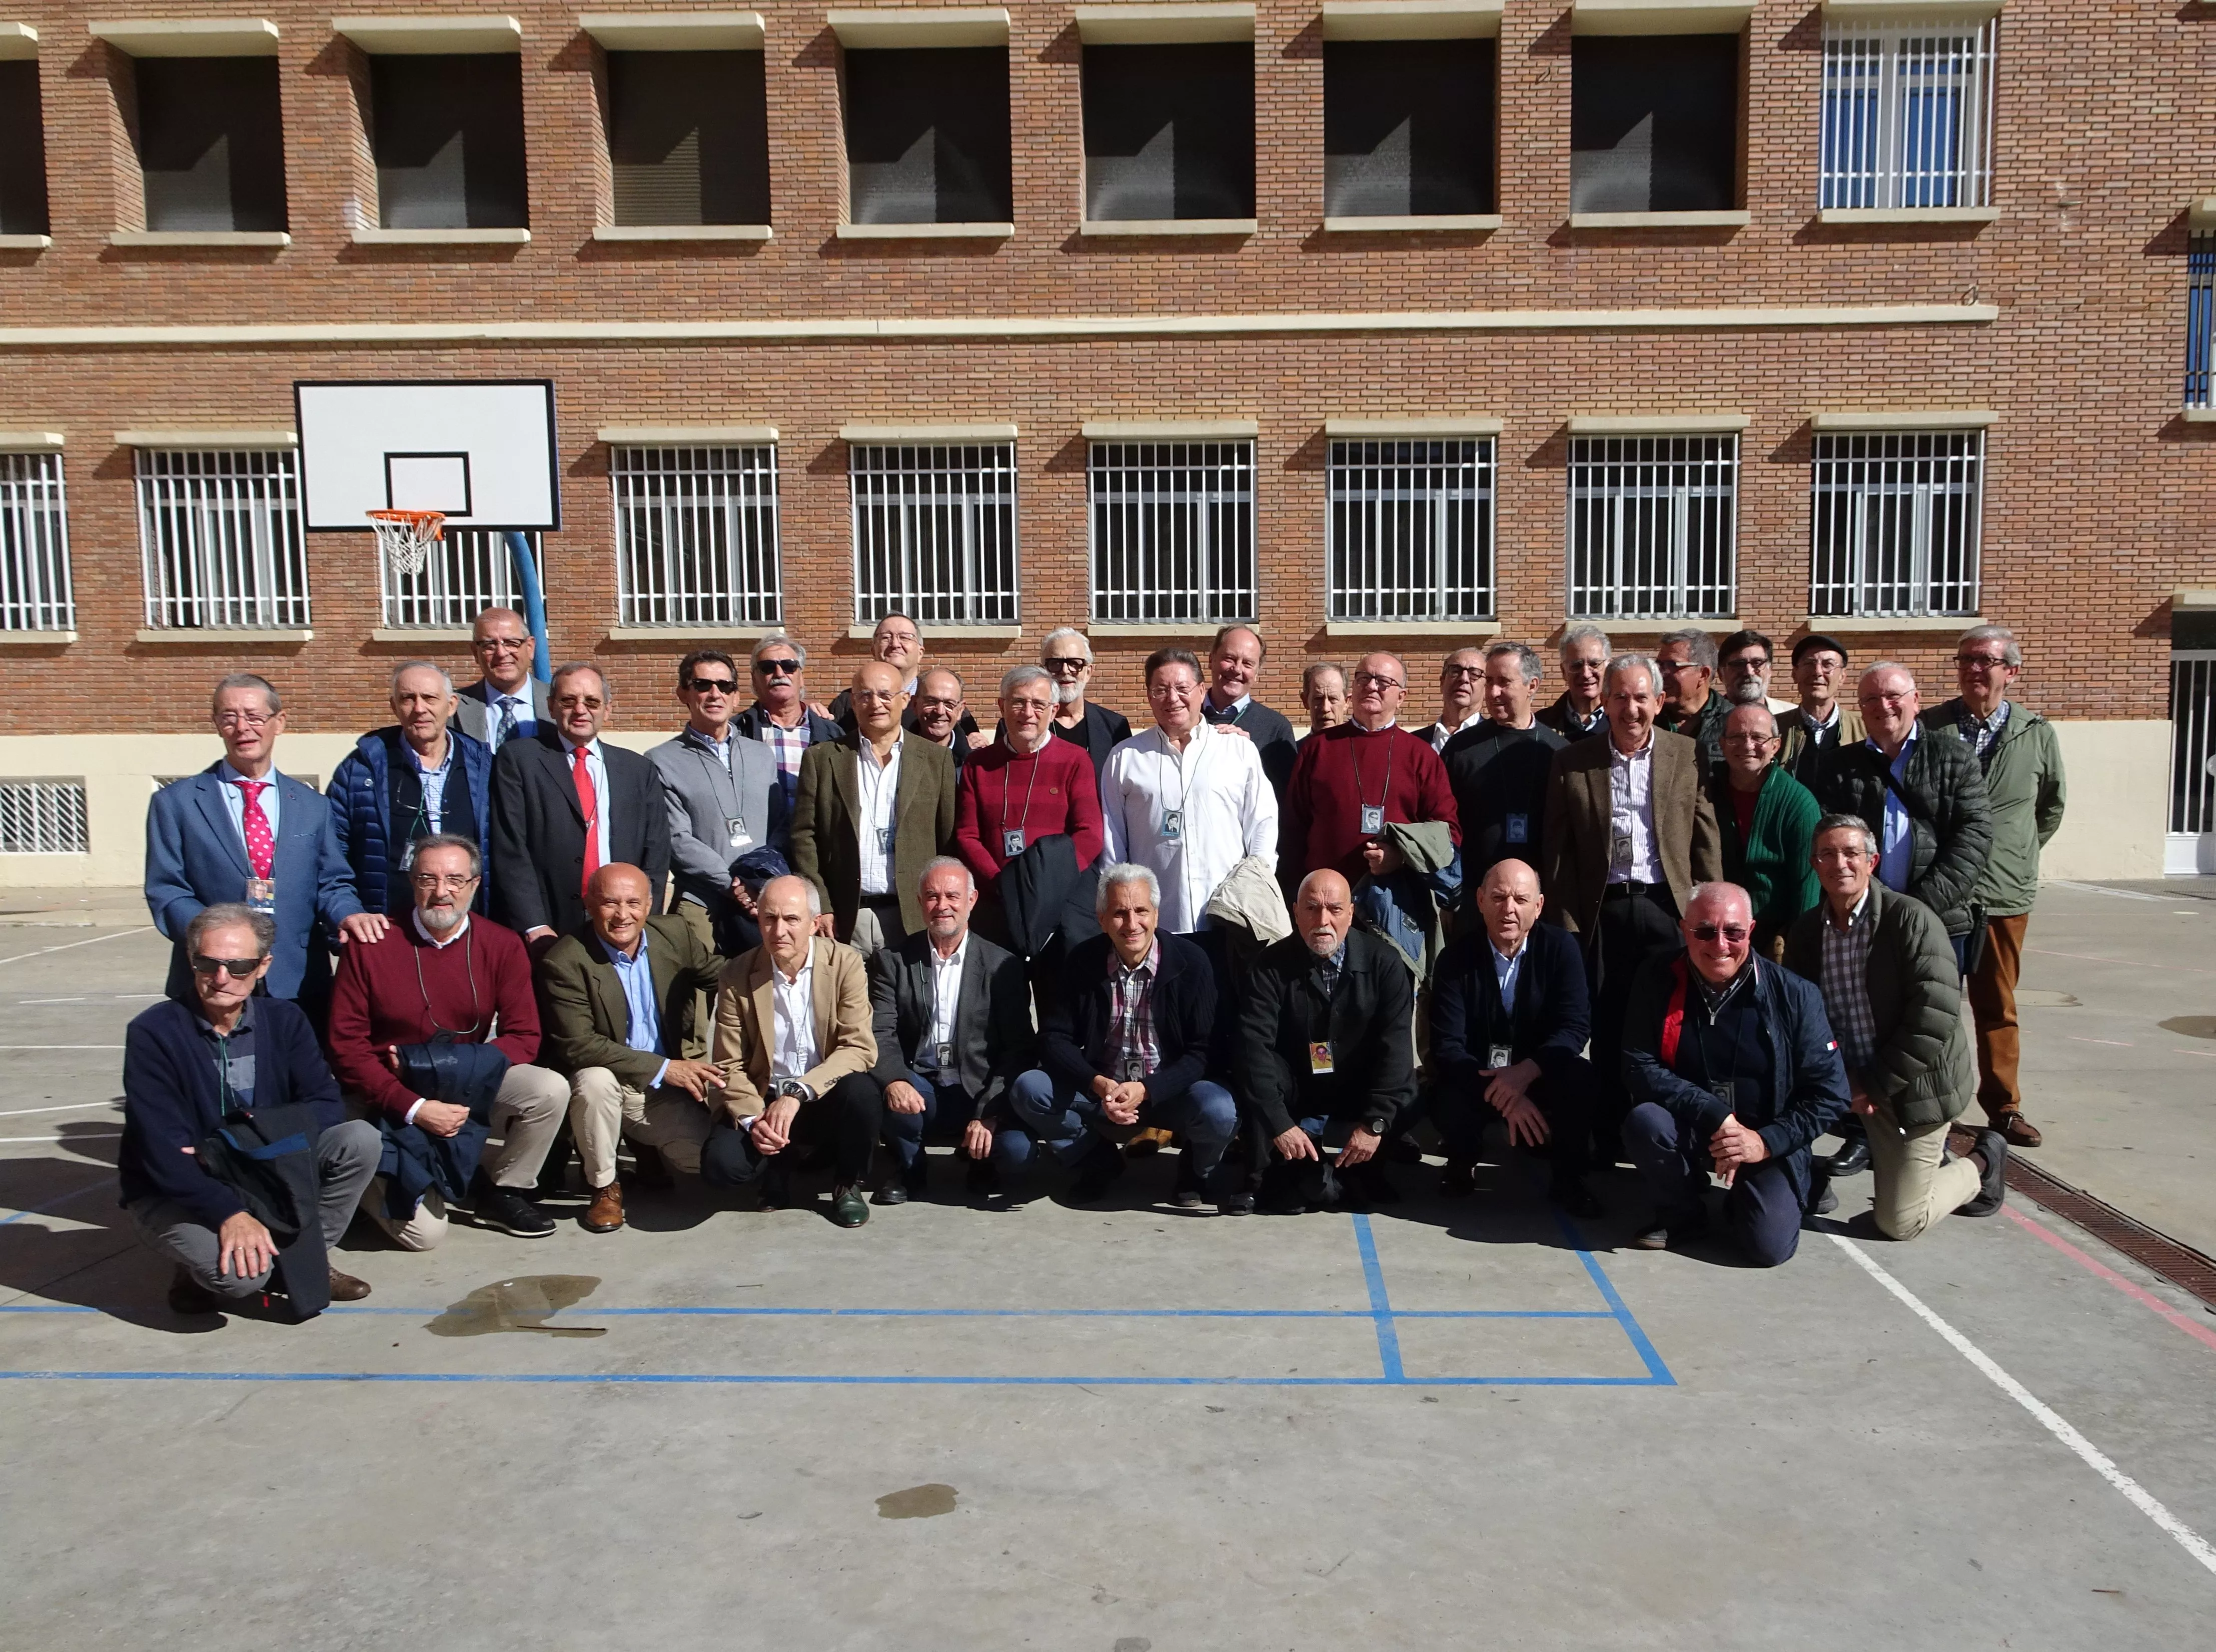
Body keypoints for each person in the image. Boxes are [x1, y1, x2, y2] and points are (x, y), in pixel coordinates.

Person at [120, 903, 379, 1316]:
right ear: (191, 961)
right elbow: (163, 1152)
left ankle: (305, 1254)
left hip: (263, 1168)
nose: (222, 978)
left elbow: (326, 1105)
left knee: (360, 1139)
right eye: (208, 963)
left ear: (263, 966)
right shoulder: (153, 1033)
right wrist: (229, 1212)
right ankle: (193, 1264)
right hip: (181, 1187)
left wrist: (236, 1146)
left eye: (239, 966)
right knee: (243, 1280)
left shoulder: (286, 1019)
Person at [325, 835, 565, 1247]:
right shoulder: (372, 945)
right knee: (426, 1236)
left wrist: (454, 1070)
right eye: (428, 879)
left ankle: (506, 1188)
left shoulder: (503, 945)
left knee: (549, 1089)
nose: (442, 892)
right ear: (412, 883)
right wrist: (416, 1107)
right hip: (385, 1092)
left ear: (474, 884)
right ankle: (360, 1184)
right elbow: (346, 1046)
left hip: (463, 1080)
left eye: (455, 879)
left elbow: (525, 1037)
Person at [1785, 815, 2008, 1238]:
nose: (1840, 864)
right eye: (1827, 854)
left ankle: (1982, 1162)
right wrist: (1832, 1079)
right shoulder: (1807, 932)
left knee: (1900, 1221)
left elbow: (1933, 1019)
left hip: (1909, 1087)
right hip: (1848, 1079)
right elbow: (1800, 1018)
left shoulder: (1912, 921)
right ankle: (1807, 1179)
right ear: (1814, 864)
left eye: (1851, 853)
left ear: (1873, 860)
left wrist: (1872, 1084)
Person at [1540, 654, 1723, 1159]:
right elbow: (1557, 856)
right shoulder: (1572, 761)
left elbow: (1704, 841)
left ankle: (1669, 1130)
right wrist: (1567, 927)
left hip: (1667, 908)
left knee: (1669, 1024)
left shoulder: (1684, 755)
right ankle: (1607, 1132)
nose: (1630, 708)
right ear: (1603, 700)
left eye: (1641, 697)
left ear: (1659, 702)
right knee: (1606, 1024)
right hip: (1603, 913)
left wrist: (1708, 914)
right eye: (1618, 697)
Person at [1620, 882, 1850, 1266]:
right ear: (1684, 929)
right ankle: (1682, 1214)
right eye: (1705, 931)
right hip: (1696, 1122)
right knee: (1646, 1121)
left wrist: (1765, 1142)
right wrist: (1716, 1114)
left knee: (1767, 1249)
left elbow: (1831, 1094)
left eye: (1734, 932)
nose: (1720, 944)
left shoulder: (1796, 995)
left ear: (1752, 930)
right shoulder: (1657, 977)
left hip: (1766, 1133)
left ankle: (1792, 1183)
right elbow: (1636, 1064)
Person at [1009, 865, 1240, 1209]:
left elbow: (1203, 1051)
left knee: (1220, 1110)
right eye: (1119, 913)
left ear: (1157, 914)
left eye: (1141, 911)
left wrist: (1148, 1089)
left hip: (1168, 1092)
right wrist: (1097, 1083)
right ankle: (1097, 1161)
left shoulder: (1192, 963)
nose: (1132, 924)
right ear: (1102, 918)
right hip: (1103, 1090)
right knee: (1030, 1089)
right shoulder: (1082, 961)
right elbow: (1055, 1038)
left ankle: (1195, 1171)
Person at [146, 673, 381, 1008]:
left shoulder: (313, 805)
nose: (242, 728)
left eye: (254, 717)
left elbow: (333, 882)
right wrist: (219, 943)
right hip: (214, 979)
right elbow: (167, 891)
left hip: (297, 981)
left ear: (279, 721)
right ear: (216, 723)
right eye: (229, 717)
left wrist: (348, 914)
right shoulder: (176, 804)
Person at [1920, 624, 2066, 1149]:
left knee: (1996, 1004)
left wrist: (2014, 854)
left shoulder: (2035, 733)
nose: (1973, 670)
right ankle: (1932, 1105)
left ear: (2010, 671)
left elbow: (2048, 809)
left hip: (2003, 896)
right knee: (1931, 1001)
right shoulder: (1930, 727)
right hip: (1939, 891)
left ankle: (2002, 1106)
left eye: (1984, 660)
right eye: (1964, 660)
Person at [538, 863, 728, 1235]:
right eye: (610, 903)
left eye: (633, 902)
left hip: (660, 1093)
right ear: (590, 904)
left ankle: (647, 1150)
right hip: (609, 1084)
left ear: (650, 903)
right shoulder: (565, 960)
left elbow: (720, 975)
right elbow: (579, 1046)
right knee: (595, 1081)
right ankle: (604, 1186)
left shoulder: (673, 933)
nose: (623, 914)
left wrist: (777, 965)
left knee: (717, 1162)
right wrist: (664, 1067)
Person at [700, 874, 880, 1226]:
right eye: (769, 918)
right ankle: (778, 1165)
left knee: (862, 1093)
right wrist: (755, 1121)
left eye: (791, 919)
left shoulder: (845, 963)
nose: (778, 930)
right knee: (721, 1167)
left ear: (814, 923)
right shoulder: (737, 973)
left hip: (822, 1094)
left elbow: (858, 1047)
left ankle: (846, 1182)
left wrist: (798, 1093)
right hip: (765, 1097)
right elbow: (727, 1063)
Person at [1236, 869, 1416, 1214]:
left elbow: (1396, 1051)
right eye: (1312, 908)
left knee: (1406, 1090)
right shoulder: (1269, 966)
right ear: (1295, 911)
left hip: (1355, 1086)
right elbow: (1252, 1047)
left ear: (1351, 912)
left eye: (1334, 909)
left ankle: (1369, 1169)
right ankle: (1257, 1176)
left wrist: (1374, 1124)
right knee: (1259, 1072)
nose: (1323, 920)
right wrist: (1280, 1125)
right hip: (1298, 1088)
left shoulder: (1386, 964)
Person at [860, 858, 1039, 1204]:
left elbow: (1020, 1048)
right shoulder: (893, 960)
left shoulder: (1003, 964)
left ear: (971, 900)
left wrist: (988, 1112)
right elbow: (880, 1032)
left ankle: (981, 1162)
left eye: (952, 896)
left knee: (1019, 1153)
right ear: (920, 903)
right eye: (932, 896)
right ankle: (910, 1168)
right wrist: (895, 1079)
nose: (942, 905)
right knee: (889, 1095)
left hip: (978, 1086)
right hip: (921, 1084)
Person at [1427, 859, 1600, 1215]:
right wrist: (1508, 1097)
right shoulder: (1455, 958)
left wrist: (1528, 1072)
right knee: (1442, 1093)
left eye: (1521, 900)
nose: (1509, 909)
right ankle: (1462, 1160)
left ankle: (1568, 1178)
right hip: (1477, 1076)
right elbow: (1448, 1046)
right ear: (1479, 900)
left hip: (1538, 1071)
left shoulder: (1562, 949)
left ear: (1538, 907)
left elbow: (1575, 1027)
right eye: (1499, 897)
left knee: (1581, 1077)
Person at [488, 663, 672, 953]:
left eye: (592, 702)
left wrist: (646, 916)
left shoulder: (638, 770)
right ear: (551, 706)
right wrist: (533, 923)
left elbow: (657, 854)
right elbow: (510, 849)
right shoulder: (521, 760)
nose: (581, 710)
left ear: (607, 710)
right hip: (551, 922)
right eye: (568, 701)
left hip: (622, 920)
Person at [1819, 663, 1994, 966]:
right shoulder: (1839, 766)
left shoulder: (1955, 757)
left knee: (1932, 1011)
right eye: (1870, 699)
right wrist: (1869, 907)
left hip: (1938, 922)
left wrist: (1917, 908)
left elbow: (1973, 838)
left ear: (1916, 700)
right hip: (1861, 923)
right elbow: (1830, 842)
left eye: (1892, 695)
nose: (1883, 706)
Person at [1098, 647, 1279, 938]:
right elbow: (1112, 843)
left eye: (1182, 688)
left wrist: (1255, 891)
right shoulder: (1126, 758)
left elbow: (1263, 826)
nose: (1172, 699)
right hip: (1157, 924)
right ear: (1149, 696)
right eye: (1160, 690)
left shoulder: (1237, 750)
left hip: (1229, 918)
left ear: (1201, 691)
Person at [791, 660, 959, 956]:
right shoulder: (822, 759)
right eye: (864, 695)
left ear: (905, 700)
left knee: (911, 1003)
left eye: (885, 695)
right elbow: (804, 838)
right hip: (844, 917)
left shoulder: (937, 760)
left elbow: (947, 840)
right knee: (845, 1002)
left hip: (912, 916)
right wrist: (822, 904)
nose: (875, 704)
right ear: (853, 703)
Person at [1279, 651, 1460, 893]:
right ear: (1352, 689)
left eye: (1384, 682)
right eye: (1364, 679)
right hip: (1326, 900)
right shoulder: (1318, 748)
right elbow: (1292, 830)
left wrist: (1402, 855)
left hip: (1397, 901)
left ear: (1401, 697)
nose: (1372, 686)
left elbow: (1447, 832)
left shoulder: (1422, 755)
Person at [329, 661, 494, 920]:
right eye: (408, 699)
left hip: (468, 926)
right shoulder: (360, 769)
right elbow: (333, 856)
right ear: (394, 707)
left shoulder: (485, 767)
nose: (420, 709)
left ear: (451, 705)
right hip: (388, 927)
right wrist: (347, 913)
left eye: (430, 698)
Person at [650, 648, 784, 959]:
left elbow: (780, 824)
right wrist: (734, 884)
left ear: (736, 697)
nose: (715, 694)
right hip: (702, 904)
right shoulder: (661, 761)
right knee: (699, 1002)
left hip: (761, 904)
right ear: (684, 693)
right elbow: (677, 839)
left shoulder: (761, 754)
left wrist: (760, 881)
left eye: (724, 686)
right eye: (702, 685)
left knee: (760, 1001)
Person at [952, 664, 1106, 889]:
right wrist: (1001, 882)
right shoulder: (977, 764)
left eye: (1038, 704)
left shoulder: (1075, 760)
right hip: (996, 894)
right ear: (1002, 706)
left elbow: (1089, 833)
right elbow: (968, 836)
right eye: (1018, 702)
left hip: (1058, 891)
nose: (1028, 713)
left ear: (1053, 710)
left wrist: (1051, 879)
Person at [1443, 641, 1566, 887]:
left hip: (1540, 896)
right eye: (1489, 682)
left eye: (1504, 682)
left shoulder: (1559, 752)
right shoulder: (1461, 748)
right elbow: (1443, 827)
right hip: (1474, 893)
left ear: (1532, 686)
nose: (1493, 692)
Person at [1705, 703, 1821, 960]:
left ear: (1776, 746)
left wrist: (1795, 945)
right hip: (1715, 934)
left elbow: (1807, 889)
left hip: (1774, 938)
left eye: (1758, 737)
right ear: (1722, 744)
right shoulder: (1707, 794)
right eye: (1736, 737)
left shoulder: (1798, 803)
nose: (1747, 746)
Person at [828, 611, 985, 747]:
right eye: (885, 638)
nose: (895, 644)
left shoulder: (944, 704)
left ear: (921, 652)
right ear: (873, 650)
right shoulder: (847, 703)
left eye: (905, 638)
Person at [732, 633, 844, 811]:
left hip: (814, 838)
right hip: (761, 837)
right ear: (754, 679)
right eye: (767, 668)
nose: (779, 673)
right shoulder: (735, 732)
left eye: (789, 666)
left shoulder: (832, 735)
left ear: (801, 677)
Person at [1200, 625, 1299, 802]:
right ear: (1211, 660)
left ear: (1257, 673)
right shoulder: (1184, 717)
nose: (1237, 669)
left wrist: (1249, 756)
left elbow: (1284, 803)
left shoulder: (1276, 730)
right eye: (1229, 659)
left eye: (1248, 664)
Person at [451, 606, 549, 751]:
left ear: (530, 647)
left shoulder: (559, 702)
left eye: (511, 643)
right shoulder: (452, 709)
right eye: (489, 645)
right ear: (475, 652)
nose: (502, 653)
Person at [1778, 633, 1863, 796]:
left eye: (1828, 665)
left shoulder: (1865, 729)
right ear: (1794, 674)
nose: (1817, 672)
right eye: (1809, 663)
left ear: (1842, 677)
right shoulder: (1775, 729)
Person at [1041, 626, 1133, 775]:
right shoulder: (1019, 726)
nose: (1065, 670)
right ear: (1044, 671)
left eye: (1075, 663)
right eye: (1055, 663)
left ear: (1088, 672)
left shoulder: (1115, 728)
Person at [1654, 629, 1729, 772]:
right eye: (1660, 665)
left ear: (1703, 674)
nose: (1662, 673)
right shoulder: (1649, 719)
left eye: (1672, 665)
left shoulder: (1732, 722)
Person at [1536, 624, 1610, 742]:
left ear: (1608, 667)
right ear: (1563, 671)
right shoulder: (1541, 726)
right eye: (1576, 665)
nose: (1586, 674)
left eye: (1594, 664)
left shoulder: (1624, 722)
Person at [1414, 647, 1488, 753]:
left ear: (1486, 688)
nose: (1464, 679)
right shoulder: (1415, 742)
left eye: (1474, 674)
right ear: (1442, 683)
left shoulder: (1497, 742)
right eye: (1456, 671)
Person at [911, 667, 976, 776]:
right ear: (915, 705)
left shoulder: (977, 764)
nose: (940, 711)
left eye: (949, 704)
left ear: (960, 710)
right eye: (931, 702)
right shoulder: (894, 757)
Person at [1715, 629, 1797, 714]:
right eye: (1739, 664)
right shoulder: (1705, 722)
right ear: (1721, 674)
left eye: (1757, 663)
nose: (1749, 672)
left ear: (1770, 670)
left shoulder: (1793, 717)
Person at [1299, 661, 1350, 737]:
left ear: (1346, 702)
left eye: (1333, 699)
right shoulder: (1296, 749)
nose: (1325, 708)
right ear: (1305, 701)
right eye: (1318, 699)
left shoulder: (1361, 748)